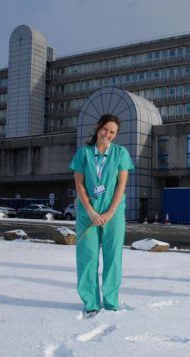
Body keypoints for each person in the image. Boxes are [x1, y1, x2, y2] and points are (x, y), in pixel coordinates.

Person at [69, 114, 134, 317]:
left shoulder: (121, 153)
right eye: (105, 129)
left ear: (115, 135)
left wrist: (109, 212)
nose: (107, 134)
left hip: (113, 215)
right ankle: (90, 302)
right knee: (87, 257)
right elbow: (79, 184)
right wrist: (90, 211)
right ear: (98, 127)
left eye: (112, 132)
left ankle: (111, 300)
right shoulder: (83, 153)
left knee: (113, 258)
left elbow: (121, 185)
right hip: (87, 214)